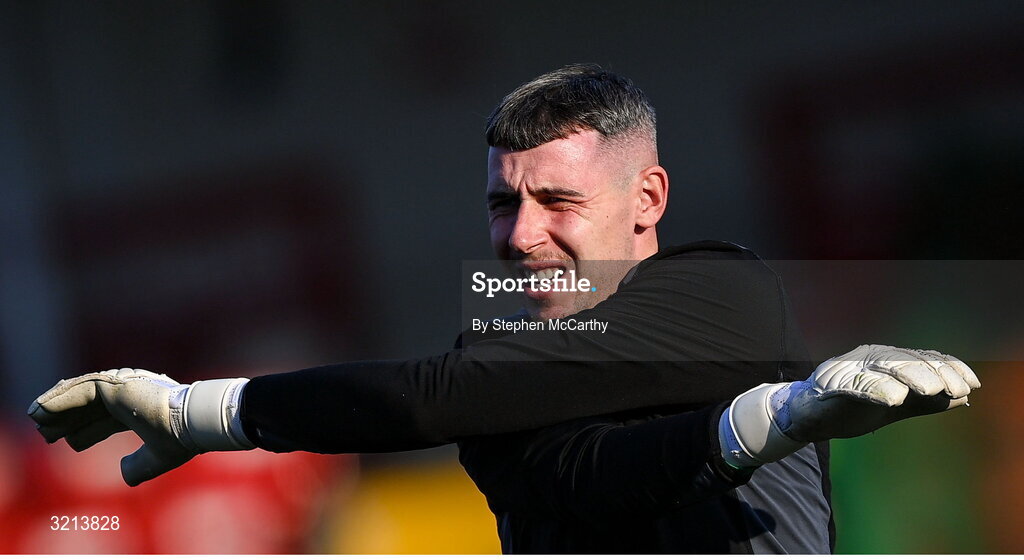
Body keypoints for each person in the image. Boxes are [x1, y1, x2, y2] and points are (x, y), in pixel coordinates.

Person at [28, 64, 980, 554]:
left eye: (557, 202)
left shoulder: (722, 294)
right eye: (501, 202)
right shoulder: (490, 377)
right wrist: (773, 420)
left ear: (648, 200)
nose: (520, 236)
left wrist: (201, 413)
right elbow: (597, 476)